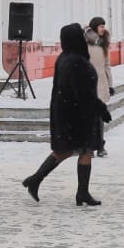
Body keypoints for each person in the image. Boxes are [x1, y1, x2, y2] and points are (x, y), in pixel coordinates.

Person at [22, 23, 110, 207]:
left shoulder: (65, 57)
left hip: (67, 112)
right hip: (78, 114)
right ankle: (80, 192)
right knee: (83, 149)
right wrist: (100, 108)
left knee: (68, 150)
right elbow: (83, 93)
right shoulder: (77, 61)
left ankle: (38, 180)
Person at [85, 17, 113, 156]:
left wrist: (110, 85)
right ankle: (89, 146)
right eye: (101, 26)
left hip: (101, 84)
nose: (103, 28)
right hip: (88, 84)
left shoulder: (104, 44)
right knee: (89, 117)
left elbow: (107, 65)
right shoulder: (85, 44)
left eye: (104, 26)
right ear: (95, 27)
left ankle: (100, 146)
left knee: (100, 117)